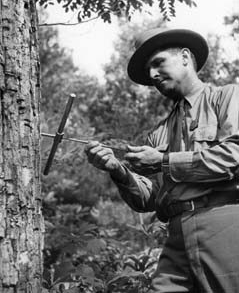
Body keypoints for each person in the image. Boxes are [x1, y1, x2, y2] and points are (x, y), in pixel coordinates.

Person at [85, 28, 239, 292]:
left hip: (225, 222)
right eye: (148, 71)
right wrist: (118, 170)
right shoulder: (159, 132)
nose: (153, 76)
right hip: (177, 234)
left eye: (158, 63)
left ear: (184, 57)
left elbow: (234, 157)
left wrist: (164, 161)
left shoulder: (226, 97)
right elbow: (152, 198)